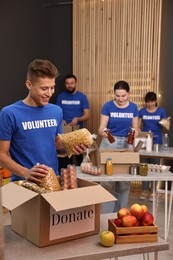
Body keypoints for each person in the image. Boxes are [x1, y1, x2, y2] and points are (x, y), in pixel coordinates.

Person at [0, 59, 87, 183]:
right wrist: (26, 172)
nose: (49, 93)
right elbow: (2, 155)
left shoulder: (56, 111)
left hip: (53, 181)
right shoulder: (9, 113)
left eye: (52, 88)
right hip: (23, 183)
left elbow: (56, 144)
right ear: (29, 85)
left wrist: (71, 148)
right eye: (44, 88)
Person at [98, 80, 139, 213]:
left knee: (124, 180)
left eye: (123, 96)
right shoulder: (107, 106)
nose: (120, 99)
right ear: (114, 94)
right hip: (110, 142)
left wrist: (134, 132)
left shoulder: (133, 107)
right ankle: (106, 214)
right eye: (118, 96)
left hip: (127, 143)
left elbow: (136, 129)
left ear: (128, 94)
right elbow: (100, 129)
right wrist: (104, 132)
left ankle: (121, 213)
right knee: (106, 180)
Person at [138, 91, 167, 201]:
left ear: (155, 101)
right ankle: (145, 191)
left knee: (155, 167)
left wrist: (166, 123)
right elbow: (138, 126)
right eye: (148, 102)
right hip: (144, 141)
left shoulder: (161, 111)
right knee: (144, 166)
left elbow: (165, 127)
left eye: (152, 101)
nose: (150, 104)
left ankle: (154, 192)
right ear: (145, 102)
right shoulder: (142, 111)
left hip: (157, 141)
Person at [56, 74, 89, 168]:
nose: (69, 85)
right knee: (64, 158)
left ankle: (79, 179)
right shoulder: (60, 97)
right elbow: (57, 112)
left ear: (76, 83)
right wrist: (61, 119)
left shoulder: (82, 97)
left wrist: (78, 119)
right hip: (64, 132)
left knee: (78, 157)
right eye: (67, 83)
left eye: (72, 83)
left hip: (78, 132)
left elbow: (87, 115)